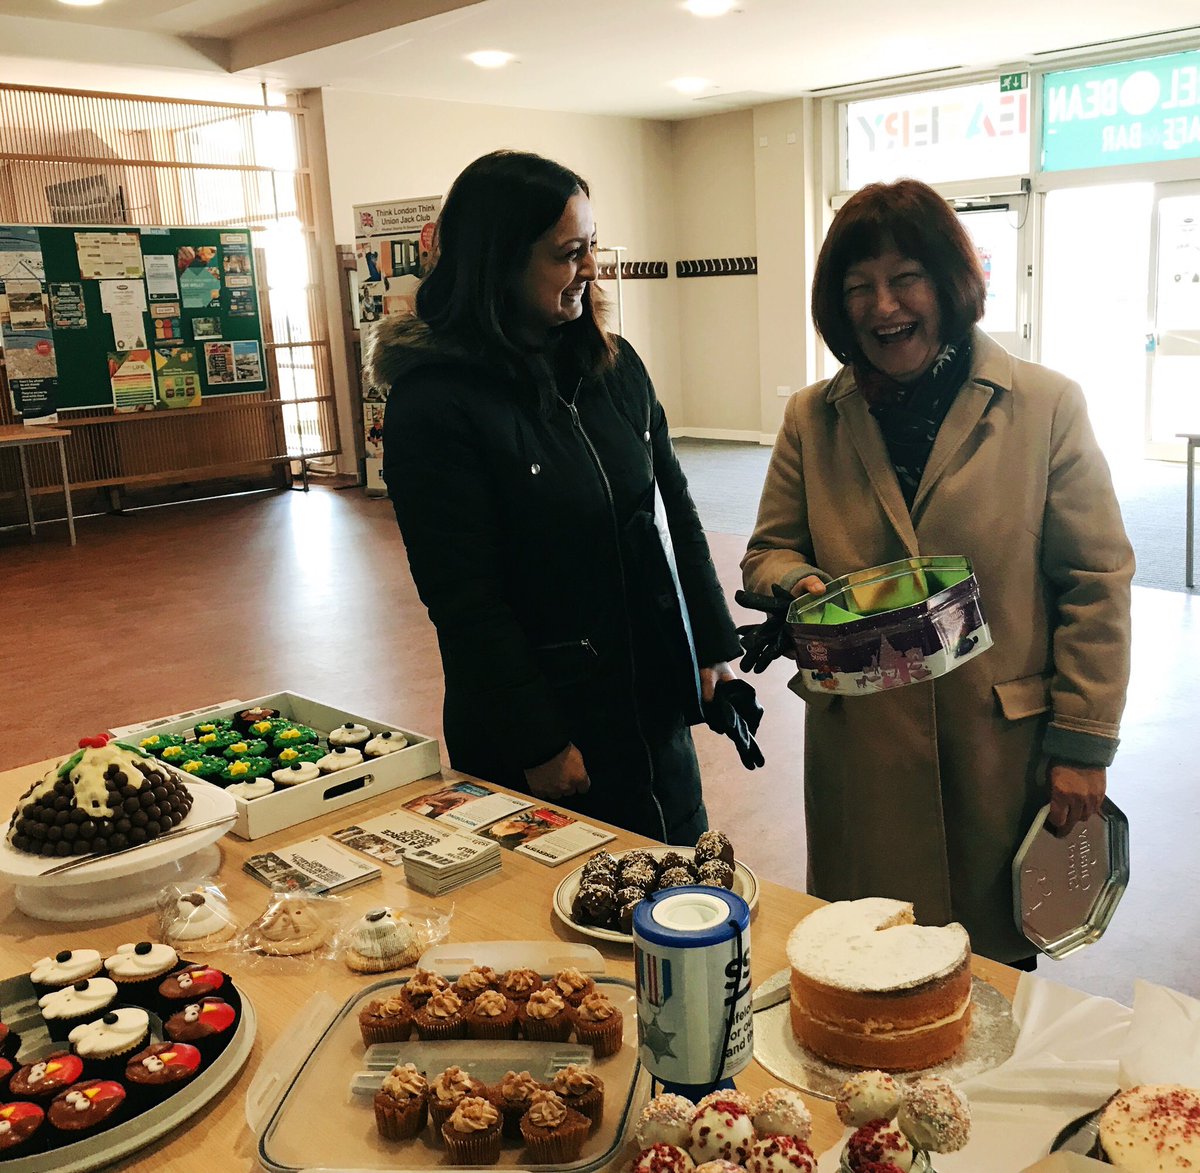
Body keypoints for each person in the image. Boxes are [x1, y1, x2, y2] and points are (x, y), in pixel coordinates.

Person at [740, 178, 1133, 965]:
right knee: (870, 965)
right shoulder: (813, 418)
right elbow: (768, 551)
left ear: (949, 283)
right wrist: (799, 585)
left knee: (993, 981)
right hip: (865, 754)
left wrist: (1084, 744)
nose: (884, 306)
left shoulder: (1046, 405)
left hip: (997, 751)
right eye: (859, 287)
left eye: (904, 278)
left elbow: (1096, 581)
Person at [370, 149, 753, 845]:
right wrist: (537, 738)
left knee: (675, 885)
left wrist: (709, 646)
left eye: (592, 248)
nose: (590, 270)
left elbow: (673, 512)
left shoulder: (616, 367)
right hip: (547, 722)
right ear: (498, 261)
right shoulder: (436, 404)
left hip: (647, 697)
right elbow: (463, 597)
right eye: (567, 253)